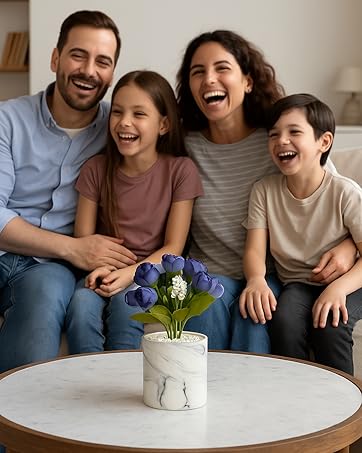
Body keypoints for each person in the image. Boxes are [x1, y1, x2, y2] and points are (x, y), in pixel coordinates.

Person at [175, 30, 357, 351]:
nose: (209, 79)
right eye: (198, 72)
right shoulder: (183, 147)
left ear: (247, 81)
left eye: (222, 68)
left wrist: (349, 247)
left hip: (268, 275)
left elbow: (329, 195)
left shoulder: (278, 142)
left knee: (255, 327)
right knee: (203, 322)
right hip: (207, 273)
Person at [0, 10, 138, 373]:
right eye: (79, 55)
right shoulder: (7, 119)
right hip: (49, 251)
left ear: (111, 72)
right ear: (55, 58)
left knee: (44, 300)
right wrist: (76, 248)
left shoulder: (121, 128)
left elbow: (164, 164)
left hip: (47, 271)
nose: (89, 70)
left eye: (103, 62)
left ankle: (15, 424)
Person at [65, 70, 203, 352]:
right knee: (80, 304)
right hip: (101, 269)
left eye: (139, 114)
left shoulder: (180, 171)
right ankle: (84, 383)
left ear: (163, 125)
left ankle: (120, 383)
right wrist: (101, 268)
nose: (124, 122)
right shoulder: (95, 169)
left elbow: (173, 248)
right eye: (117, 112)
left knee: (128, 302)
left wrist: (129, 274)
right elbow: (84, 237)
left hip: (153, 274)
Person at [239, 93, 362, 374]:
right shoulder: (264, 190)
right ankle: (295, 398)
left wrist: (338, 288)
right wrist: (256, 279)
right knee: (284, 323)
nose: (281, 140)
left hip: (353, 282)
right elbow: (254, 250)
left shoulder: (345, 192)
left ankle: (345, 408)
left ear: (324, 141)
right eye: (273, 135)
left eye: (294, 132)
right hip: (299, 283)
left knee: (332, 324)